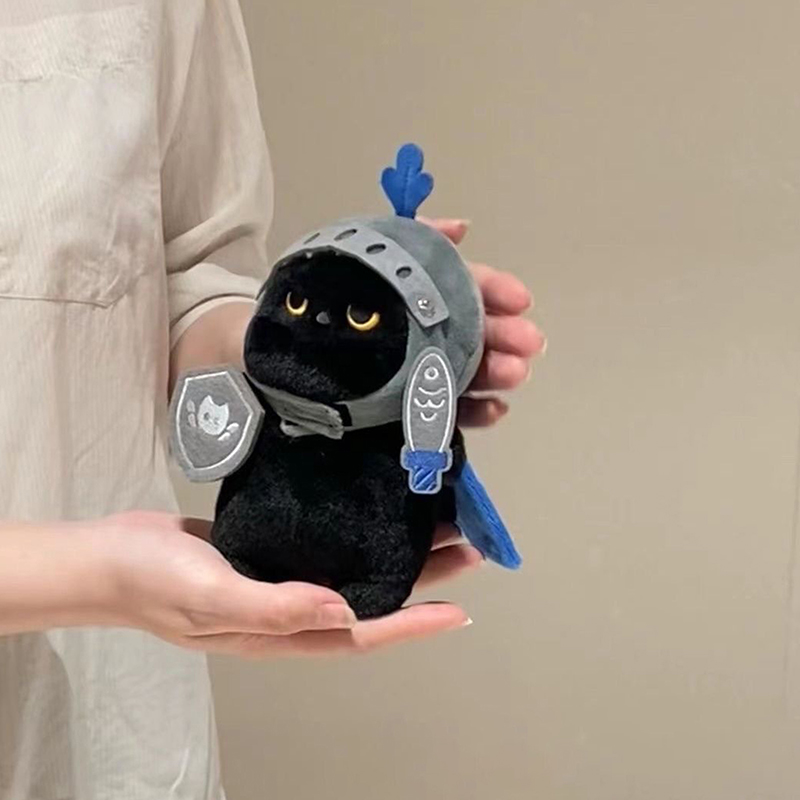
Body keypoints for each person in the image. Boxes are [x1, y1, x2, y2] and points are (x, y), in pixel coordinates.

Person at [0, 1, 545, 798]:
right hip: (117, 607)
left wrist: (317, 343)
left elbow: (193, 270)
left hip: (100, 721)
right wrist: (95, 575)